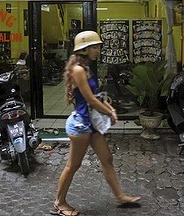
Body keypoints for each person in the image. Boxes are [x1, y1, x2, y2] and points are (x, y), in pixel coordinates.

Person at [52, 30, 140, 216]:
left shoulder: (86, 67)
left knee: (107, 159)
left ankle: (120, 196)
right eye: (95, 47)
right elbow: (90, 100)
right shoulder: (78, 70)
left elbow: (97, 95)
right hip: (81, 125)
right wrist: (110, 112)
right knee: (73, 166)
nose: (98, 50)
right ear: (84, 49)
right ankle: (59, 203)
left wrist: (110, 108)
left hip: (90, 124)